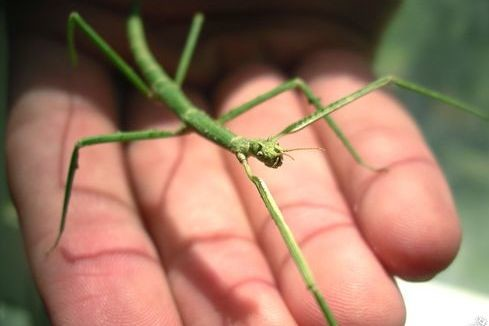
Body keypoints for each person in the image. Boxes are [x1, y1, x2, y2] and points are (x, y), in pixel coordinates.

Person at [7, 1, 461, 324]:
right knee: (85, 136)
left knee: (331, 83)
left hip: (185, 95)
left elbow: (302, 91)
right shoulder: (221, 140)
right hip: (157, 80)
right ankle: (63, 231)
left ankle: (362, 159)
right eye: (266, 151)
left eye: (267, 151)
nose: (270, 154)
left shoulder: (254, 147)